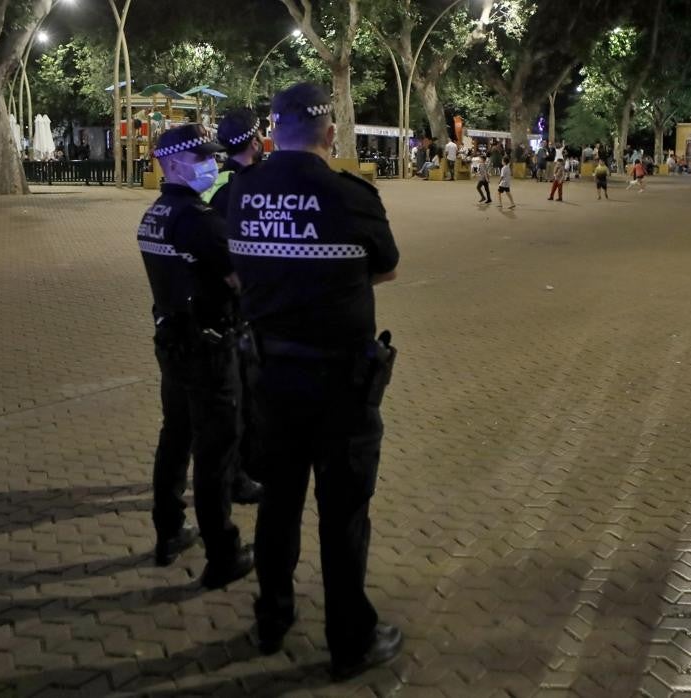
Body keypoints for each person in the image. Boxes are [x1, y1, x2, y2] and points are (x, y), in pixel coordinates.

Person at [225, 83, 403, 680]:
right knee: (343, 513)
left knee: (278, 504)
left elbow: (238, 268)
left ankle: (272, 620)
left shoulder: (241, 191)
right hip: (340, 386)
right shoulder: (350, 195)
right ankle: (349, 639)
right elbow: (387, 267)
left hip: (270, 378)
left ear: (273, 131)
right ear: (330, 133)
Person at [135, 124, 256, 589]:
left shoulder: (154, 215)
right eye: (201, 158)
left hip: (171, 343)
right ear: (172, 164)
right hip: (209, 347)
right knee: (215, 450)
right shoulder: (199, 220)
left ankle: (169, 531)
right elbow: (238, 278)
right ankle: (222, 553)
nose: (211, 164)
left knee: (176, 437)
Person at [202, 108, 269, 507]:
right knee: (242, 397)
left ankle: (234, 469)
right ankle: (238, 475)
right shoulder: (246, 186)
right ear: (254, 141)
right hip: (239, 305)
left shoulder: (217, 182)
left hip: (215, 303)